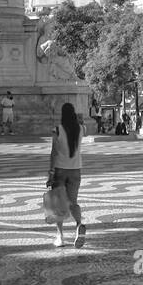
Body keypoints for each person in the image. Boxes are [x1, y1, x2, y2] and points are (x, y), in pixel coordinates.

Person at [46, 101, 87, 249]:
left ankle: (60, 236)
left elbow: (54, 152)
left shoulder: (57, 130)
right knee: (73, 202)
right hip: (76, 170)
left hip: (60, 170)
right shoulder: (81, 129)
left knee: (58, 205)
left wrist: (50, 172)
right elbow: (83, 124)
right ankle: (79, 224)